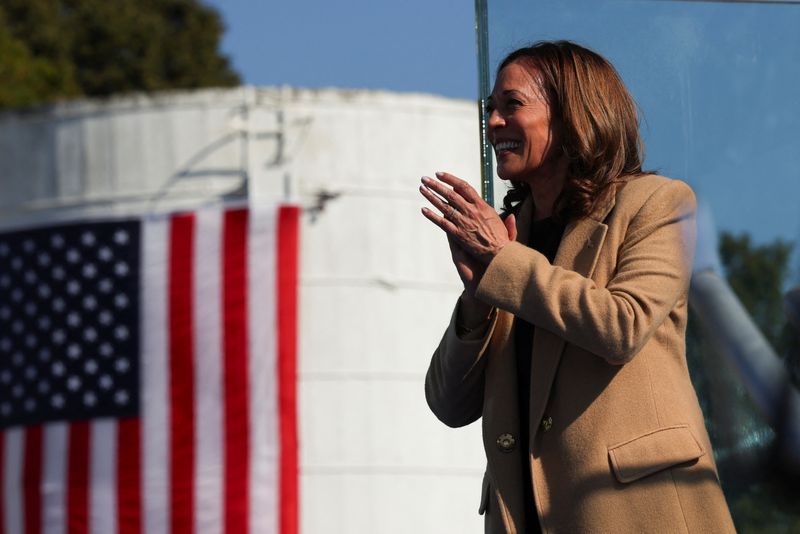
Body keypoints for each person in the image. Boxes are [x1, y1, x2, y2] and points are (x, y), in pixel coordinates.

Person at [419, 41, 735, 534]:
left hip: (637, 514)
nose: (494, 122)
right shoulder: (507, 234)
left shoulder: (658, 203)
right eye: (491, 109)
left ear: (571, 115)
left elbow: (621, 327)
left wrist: (502, 262)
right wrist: (476, 301)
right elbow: (447, 404)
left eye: (512, 105)